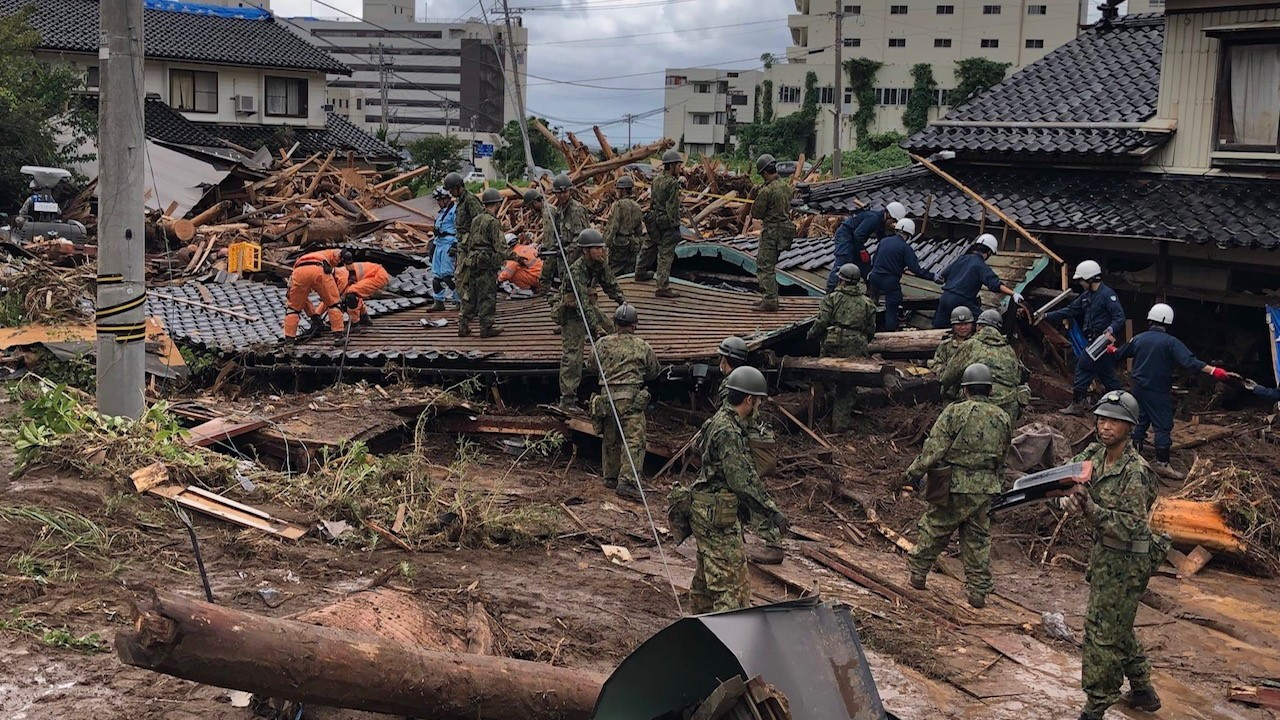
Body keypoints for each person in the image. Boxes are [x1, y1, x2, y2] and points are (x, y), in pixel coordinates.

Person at [1059, 390, 1164, 720]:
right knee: (1116, 624)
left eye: (1114, 422)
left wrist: (1089, 509)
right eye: (1102, 419)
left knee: (1101, 634)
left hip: (1128, 560)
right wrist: (1066, 495)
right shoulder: (1096, 452)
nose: (1105, 426)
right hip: (1106, 555)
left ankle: (1096, 705)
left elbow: (1132, 527)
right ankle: (1143, 690)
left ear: (1129, 428)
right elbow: (1073, 474)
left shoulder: (1136, 472)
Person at [904, 363, 1013, 609]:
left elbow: (934, 449)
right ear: (989, 389)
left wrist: (912, 473)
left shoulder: (955, 413)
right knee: (977, 539)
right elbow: (1003, 455)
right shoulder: (1003, 417)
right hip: (985, 488)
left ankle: (918, 575)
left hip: (952, 482)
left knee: (935, 528)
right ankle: (977, 593)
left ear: (965, 389)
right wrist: (999, 483)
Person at [686, 366, 786, 613]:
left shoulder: (717, 420)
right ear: (749, 399)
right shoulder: (728, 430)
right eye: (758, 401)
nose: (759, 406)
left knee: (707, 581)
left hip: (705, 510)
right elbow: (742, 480)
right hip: (717, 516)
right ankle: (728, 641)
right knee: (734, 589)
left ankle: (699, 629)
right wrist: (770, 512)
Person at [1114, 303, 1233, 478]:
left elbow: (1119, 353)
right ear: (1167, 322)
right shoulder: (1171, 342)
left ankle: (1131, 456)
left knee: (1140, 419)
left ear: (1150, 320)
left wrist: (1110, 348)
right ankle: (1162, 463)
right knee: (1163, 426)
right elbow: (1190, 362)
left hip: (1137, 387)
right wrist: (1214, 371)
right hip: (1157, 390)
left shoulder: (1138, 338)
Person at [591, 303, 659, 501]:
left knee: (610, 438)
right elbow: (654, 371)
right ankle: (628, 481)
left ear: (615, 322)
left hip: (606, 398)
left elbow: (591, 366)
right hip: (630, 400)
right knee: (633, 440)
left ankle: (610, 476)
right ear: (634, 325)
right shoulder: (642, 346)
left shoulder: (602, 344)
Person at [557, 228, 627, 411]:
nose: (601, 251)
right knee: (573, 355)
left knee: (616, 333)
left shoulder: (599, 263)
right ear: (585, 251)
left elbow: (610, 283)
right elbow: (582, 303)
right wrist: (595, 328)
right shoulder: (576, 270)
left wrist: (623, 302)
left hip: (588, 306)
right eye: (596, 248)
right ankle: (568, 400)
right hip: (573, 312)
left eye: (601, 247)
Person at [1044, 260, 1126, 415]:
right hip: (1093, 340)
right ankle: (1123, 403)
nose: (1080, 283)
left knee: (1083, 367)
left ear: (1090, 279)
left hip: (1101, 341)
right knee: (1107, 375)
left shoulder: (1107, 295)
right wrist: (1046, 315)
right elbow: (1070, 310)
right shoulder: (1086, 296)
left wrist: (1110, 329)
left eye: (1082, 280)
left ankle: (1077, 404)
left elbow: (1119, 317)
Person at [806, 263, 876, 431]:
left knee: (823, 374)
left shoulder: (832, 299)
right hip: (857, 348)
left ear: (841, 281)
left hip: (832, 345)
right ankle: (839, 424)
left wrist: (810, 336)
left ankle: (821, 409)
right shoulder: (868, 303)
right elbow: (871, 330)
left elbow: (822, 322)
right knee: (847, 385)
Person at [940, 309, 1028, 425]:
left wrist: (944, 393)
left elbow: (949, 376)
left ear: (979, 326)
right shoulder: (1009, 349)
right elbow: (1016, 379)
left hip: (976, 404)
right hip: (1008, 407)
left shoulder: (971, 345)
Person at [932, 234, 1024, 328]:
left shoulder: (961, 258)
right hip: (961, 301)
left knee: (938, 327)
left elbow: (943, 276)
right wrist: (1013, 294)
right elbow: (995, 284)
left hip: (945, 297)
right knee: (985, 321)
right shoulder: (980, 266)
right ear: (989, 252)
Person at [457, 189, 512, 338]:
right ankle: (486, 328)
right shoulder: (493, 222)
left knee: (471, 293)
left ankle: (463, 324)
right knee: (487, 295)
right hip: (486, 263)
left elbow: (470, 241)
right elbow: (500, 246)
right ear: (497, 204)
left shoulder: (476, 219)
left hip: (472, 260)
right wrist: (516, 257)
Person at [868, 218, 935, 331]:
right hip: (890, 281)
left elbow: (874, 260)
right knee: (892, 308)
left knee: (871, 306)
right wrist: (932, 276)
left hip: (874, 277)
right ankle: (889, 334)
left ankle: (868, 328)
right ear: (909, 234)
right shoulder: (905, 248)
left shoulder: (884, 241)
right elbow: (915, 269)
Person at [749, 154, 796, 313]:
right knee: (771, 264)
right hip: (784, 230)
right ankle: (770, 298)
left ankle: (769, 300)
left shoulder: (766, 191)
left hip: (771, 231)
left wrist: (756, 196)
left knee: (764, 265)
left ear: (763, 173)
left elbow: (757, 213)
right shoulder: (786, 187)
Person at [635, 149, 684, 298]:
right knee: (665, 253)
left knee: (649, 245)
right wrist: (676, 226)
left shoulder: (656, 180)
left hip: (654, 220)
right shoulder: (673, 183)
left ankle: (640, 272)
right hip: (666, 223)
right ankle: (662, 287)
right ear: (672, 165)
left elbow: (652, 202)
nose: (680, 168)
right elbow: (672, 206)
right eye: (678, 165)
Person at [829, 201, 906, 292]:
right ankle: (830, 289)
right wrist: (861, 251)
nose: (892, 223)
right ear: (888, 215)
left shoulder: (880, 221)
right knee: (843, 261)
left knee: (865, 263)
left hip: (854, 238)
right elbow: (858, 235)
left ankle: (871, 288)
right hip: (845, 235)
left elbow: (882, 238)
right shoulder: (873, 218)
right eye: (893, 220)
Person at [282, 248, 351, 341]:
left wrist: (314, 316)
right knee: (334, 304)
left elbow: (303, 301)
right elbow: (341, 253)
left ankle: (289, 342)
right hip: (318, 270)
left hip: (298, 273)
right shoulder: (327, 254)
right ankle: (338, 336)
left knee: (293, 309)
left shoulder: (305, 258)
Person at [539, 174, 590, 296]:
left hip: (575, 257)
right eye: (559, 193)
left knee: (576, 290)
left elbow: (582, 237)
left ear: (570, 191)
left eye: (565, 192)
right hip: (564, 257)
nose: (562, 195)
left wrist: (566, 250)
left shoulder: (576, 210)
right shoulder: (561, 209)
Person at [333, 260, 390, 345]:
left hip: (378, 276)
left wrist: (316, 316)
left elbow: (331, 300)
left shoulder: (342, 278)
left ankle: (354, 324)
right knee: (354, 294)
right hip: (378, 274)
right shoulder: (340, 273)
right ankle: (364, 317)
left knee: (350, 295)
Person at [929, 306, 976, 402]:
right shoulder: (946, 345)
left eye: (966, 324)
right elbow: (935, 363)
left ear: (972, 324)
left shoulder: (976, 344)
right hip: (950, 390)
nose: (963, 328)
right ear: (953, 326)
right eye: (959, 325)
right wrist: (944, 372)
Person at [603, 176, 644, 277]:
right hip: (633, 245)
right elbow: (639, 229)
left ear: (623, 190)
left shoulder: (619, 205)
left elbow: (613, 226)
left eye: (618, 190)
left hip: (619, 245)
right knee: (629, 273)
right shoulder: (637, 206)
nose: (616, 192)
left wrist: (605, 243)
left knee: (613, 271)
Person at [428, 187, 458, 311]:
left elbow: (460, 230)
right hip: (439, 243)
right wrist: (433, 246)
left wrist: (455, 245)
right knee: (437, 276)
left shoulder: (455, 211)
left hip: (448, 244)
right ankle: (438, 301)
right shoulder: (442, 213)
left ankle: (460, 300)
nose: (438, 203)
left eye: (439, 200)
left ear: (446, 199)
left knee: (447, 275)